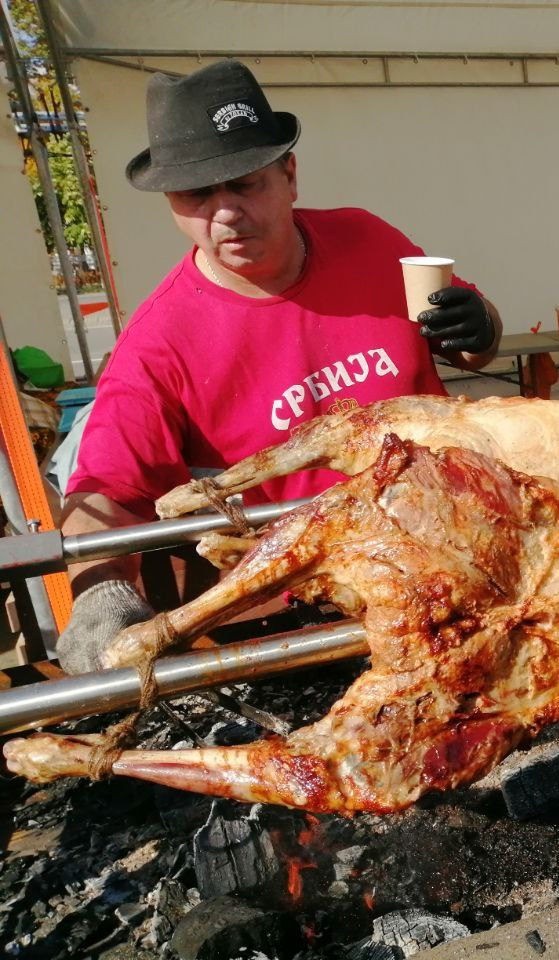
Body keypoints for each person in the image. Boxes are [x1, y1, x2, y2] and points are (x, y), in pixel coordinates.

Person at [54, 59, 503, 672]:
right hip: (318, 611)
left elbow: (471, 343)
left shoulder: (369, 240)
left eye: (245, 183)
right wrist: (100, 594)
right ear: (170, 204)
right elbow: (104, 491)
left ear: (289, 174)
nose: (226, 212)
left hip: (462, 548)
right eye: (197, 195)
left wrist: (481, 324)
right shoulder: (160, 341)